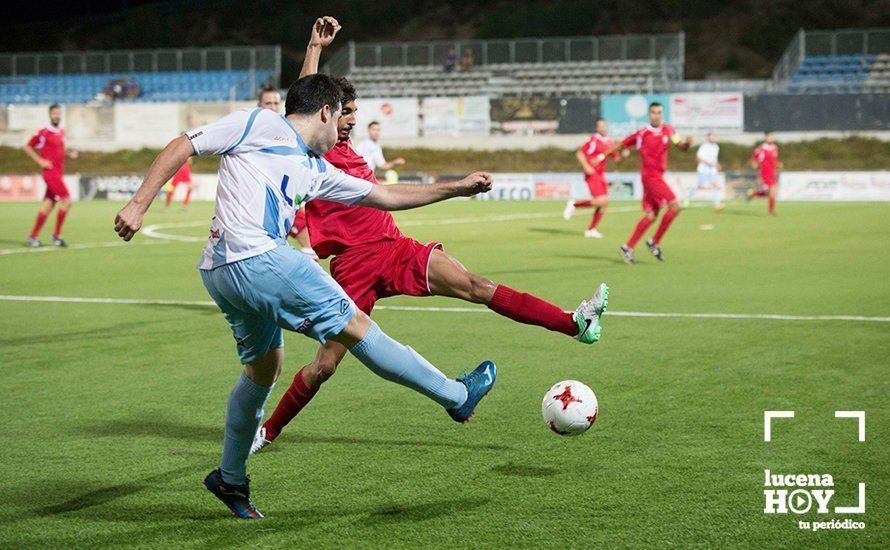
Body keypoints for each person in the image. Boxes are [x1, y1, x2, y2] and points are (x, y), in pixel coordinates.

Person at [113, 72, 497, 520]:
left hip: (219, 272)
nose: (342, 131)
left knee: (263, 369)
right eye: (341, 117)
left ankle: (230, 478)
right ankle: (455, 396)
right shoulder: (257, 123)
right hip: (260, 259)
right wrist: (138, 203)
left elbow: (386, 195)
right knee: (357, 327)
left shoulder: (315, 168)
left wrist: (455, 188)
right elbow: (185, 144)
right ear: (325, 112)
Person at [251, 19, 610, 456]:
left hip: (394, 248)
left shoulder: (348, 150)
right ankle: (267, 431)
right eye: (345, 113)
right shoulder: (315, 148)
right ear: (326, 113)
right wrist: (313, 47)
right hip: (352, 268)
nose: (350, 122)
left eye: (354, 115)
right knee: (324, 366)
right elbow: (307, 96)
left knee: (477, 285)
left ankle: (574, 322)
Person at [599, 102, 692, 264]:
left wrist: (688, 143)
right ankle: (654, 242)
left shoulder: (669, 130)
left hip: (658, 177)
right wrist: (602, 156)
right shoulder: (642, 133)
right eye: (654, 112)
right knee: (675, 206)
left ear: (662, 114)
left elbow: (681, 146)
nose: (657, 115)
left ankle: (628, 247)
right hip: (650, 178)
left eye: (659, 112)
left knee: (652, 215)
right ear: (649, 114)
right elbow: (622, 145)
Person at [24, 103, 78, 248]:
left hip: (59, 173)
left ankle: (32, 236)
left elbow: (60, 149)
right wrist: (40, 160)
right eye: (54, 113)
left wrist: (69, 153)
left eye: (59, 113)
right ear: (50, 115)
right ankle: (57, 236)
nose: (57, 115)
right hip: (50, 173)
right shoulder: (43, 132)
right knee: (67, 201)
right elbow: (27, 146)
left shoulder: (61, 132)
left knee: (48, 205)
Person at [563, 119, 628, 238]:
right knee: (601, 200)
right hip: (592, 174)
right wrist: (586, 166)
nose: (603, 128)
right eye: (600, 126)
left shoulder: (610, 142)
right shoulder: (593, 140)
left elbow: (617, 160)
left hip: (601, 175)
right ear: (597, 128)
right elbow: (579, 153)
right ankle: (574, 205)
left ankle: (591, 230)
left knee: (603, 204)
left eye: (604, 126)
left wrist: (623, 156)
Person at [685, 132, 724, 211]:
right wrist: (707, 163)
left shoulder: (716, 147)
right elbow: (698, 157)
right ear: (708, 138)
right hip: (703, 169)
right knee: (698, 185)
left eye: (713, 137)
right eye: (711, 137)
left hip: (712, 170)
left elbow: (714, 159)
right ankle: (687, 199)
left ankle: (717, 204)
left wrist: (718, 165)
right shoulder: (704, 146)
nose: (713, 138)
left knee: (714, 186)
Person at [748, 131, 782, 215]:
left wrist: (778, 164)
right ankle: (771, 212)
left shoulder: (775, 148)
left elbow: (775, 159)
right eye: (768, 136)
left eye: (771, 136)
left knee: (771, 193)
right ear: (765, 138)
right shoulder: (761, 148)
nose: (770, 138)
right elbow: (753, 158)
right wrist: (754, 164)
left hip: (772, 172)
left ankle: (754, 194)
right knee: (771, 191)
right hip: (764, 172)